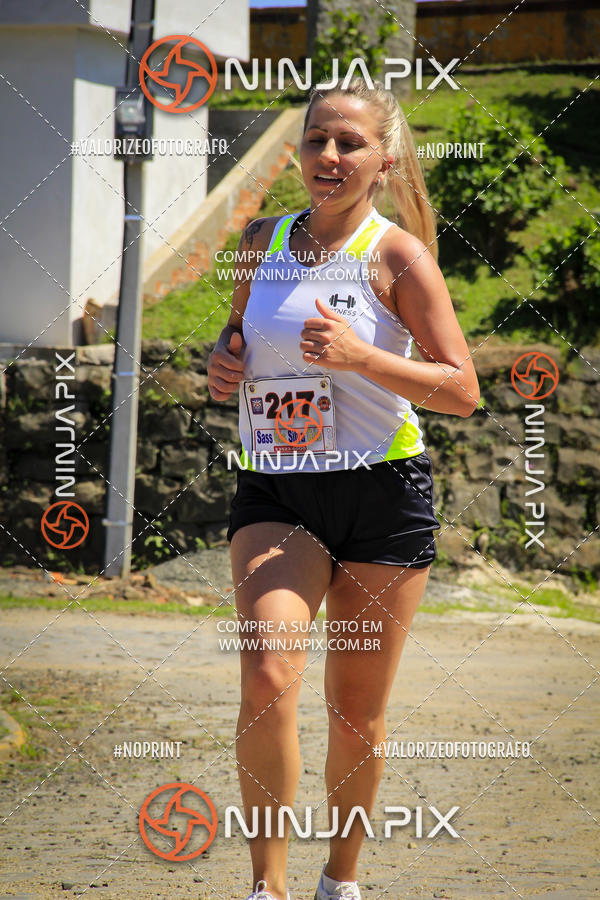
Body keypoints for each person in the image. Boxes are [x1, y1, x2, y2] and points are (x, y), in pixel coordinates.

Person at [207, 79, 479, 900]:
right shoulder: (259, 240)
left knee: (354, 711)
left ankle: (341, 880)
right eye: (317, 139)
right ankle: (269, 887)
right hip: (278, 493)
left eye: (349, 144)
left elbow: (461, 389)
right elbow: (238, 335)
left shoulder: (398, 257)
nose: (329, 157)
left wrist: (364, 359)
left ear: (383, 161)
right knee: (266, 677)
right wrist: (225, 362)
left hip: (380, 494)